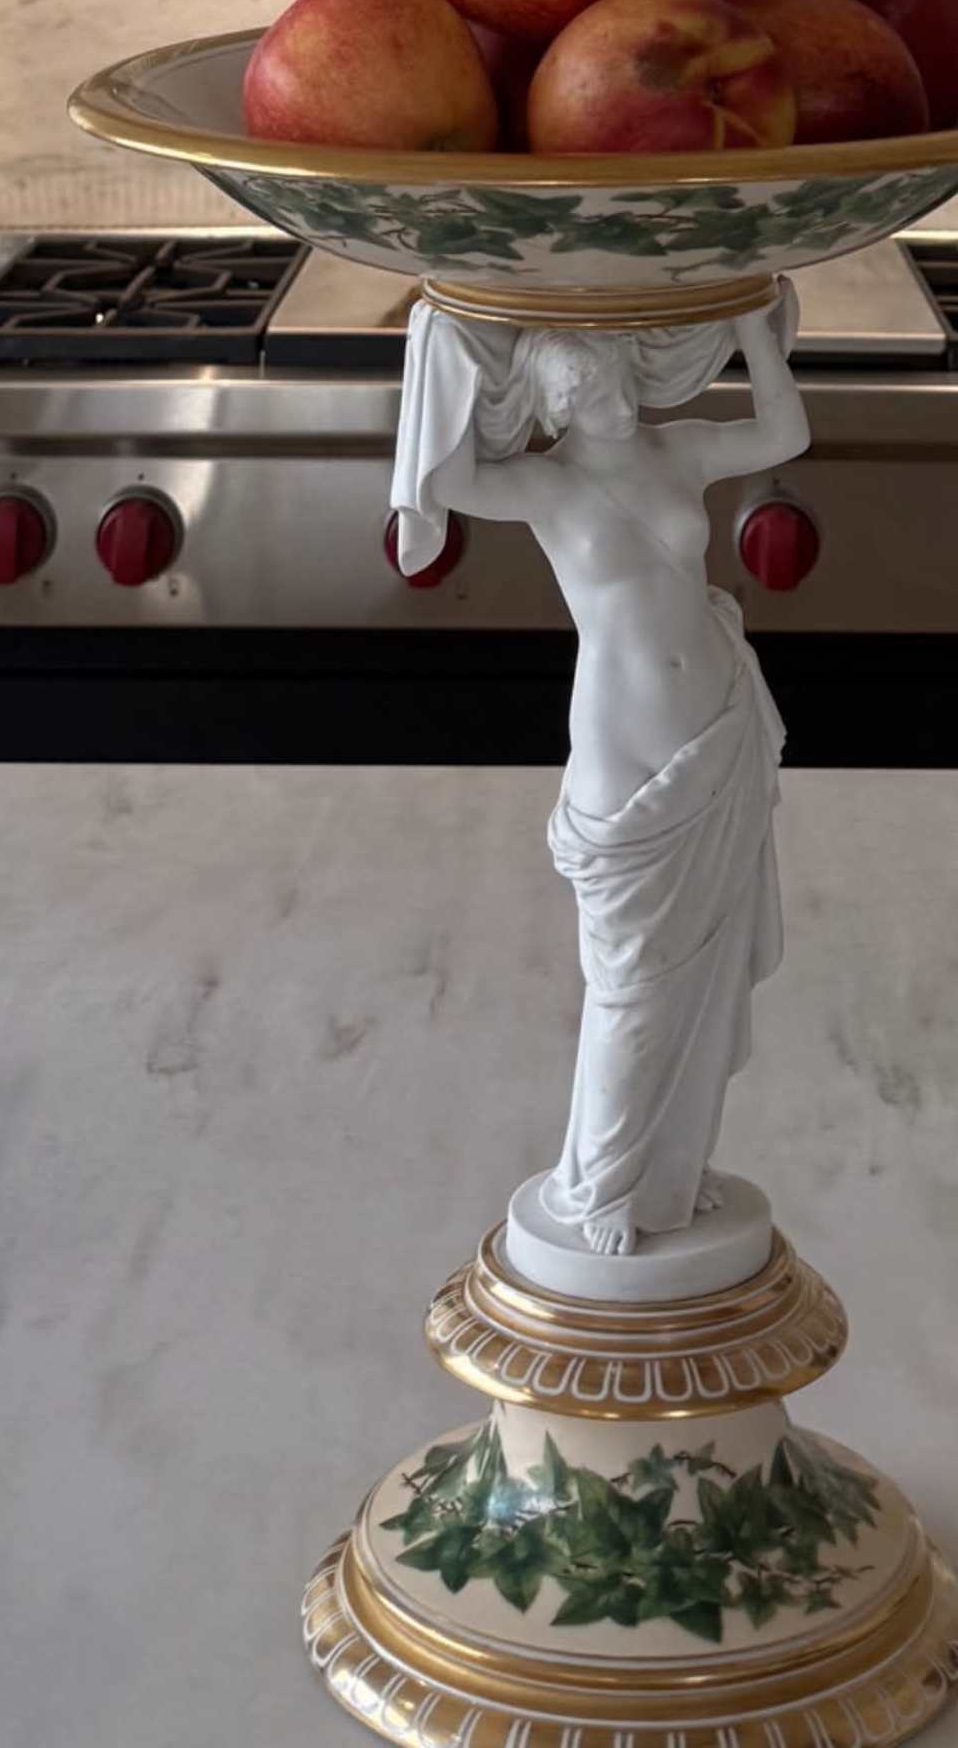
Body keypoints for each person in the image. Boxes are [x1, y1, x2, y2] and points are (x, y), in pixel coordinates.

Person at [392, 283, 810, 1258]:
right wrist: (450, 339)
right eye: (578, 385)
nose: (605, 393)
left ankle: (670, 1171)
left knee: (700, 979)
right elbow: (447, 475)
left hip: (716, 729)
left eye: (610, 370)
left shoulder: (680, 450)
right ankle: (602, 1182)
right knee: (633, 985)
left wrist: (754, 325)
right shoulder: (543, 484)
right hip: (627, 764)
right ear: (550, 404)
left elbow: (782, 431)